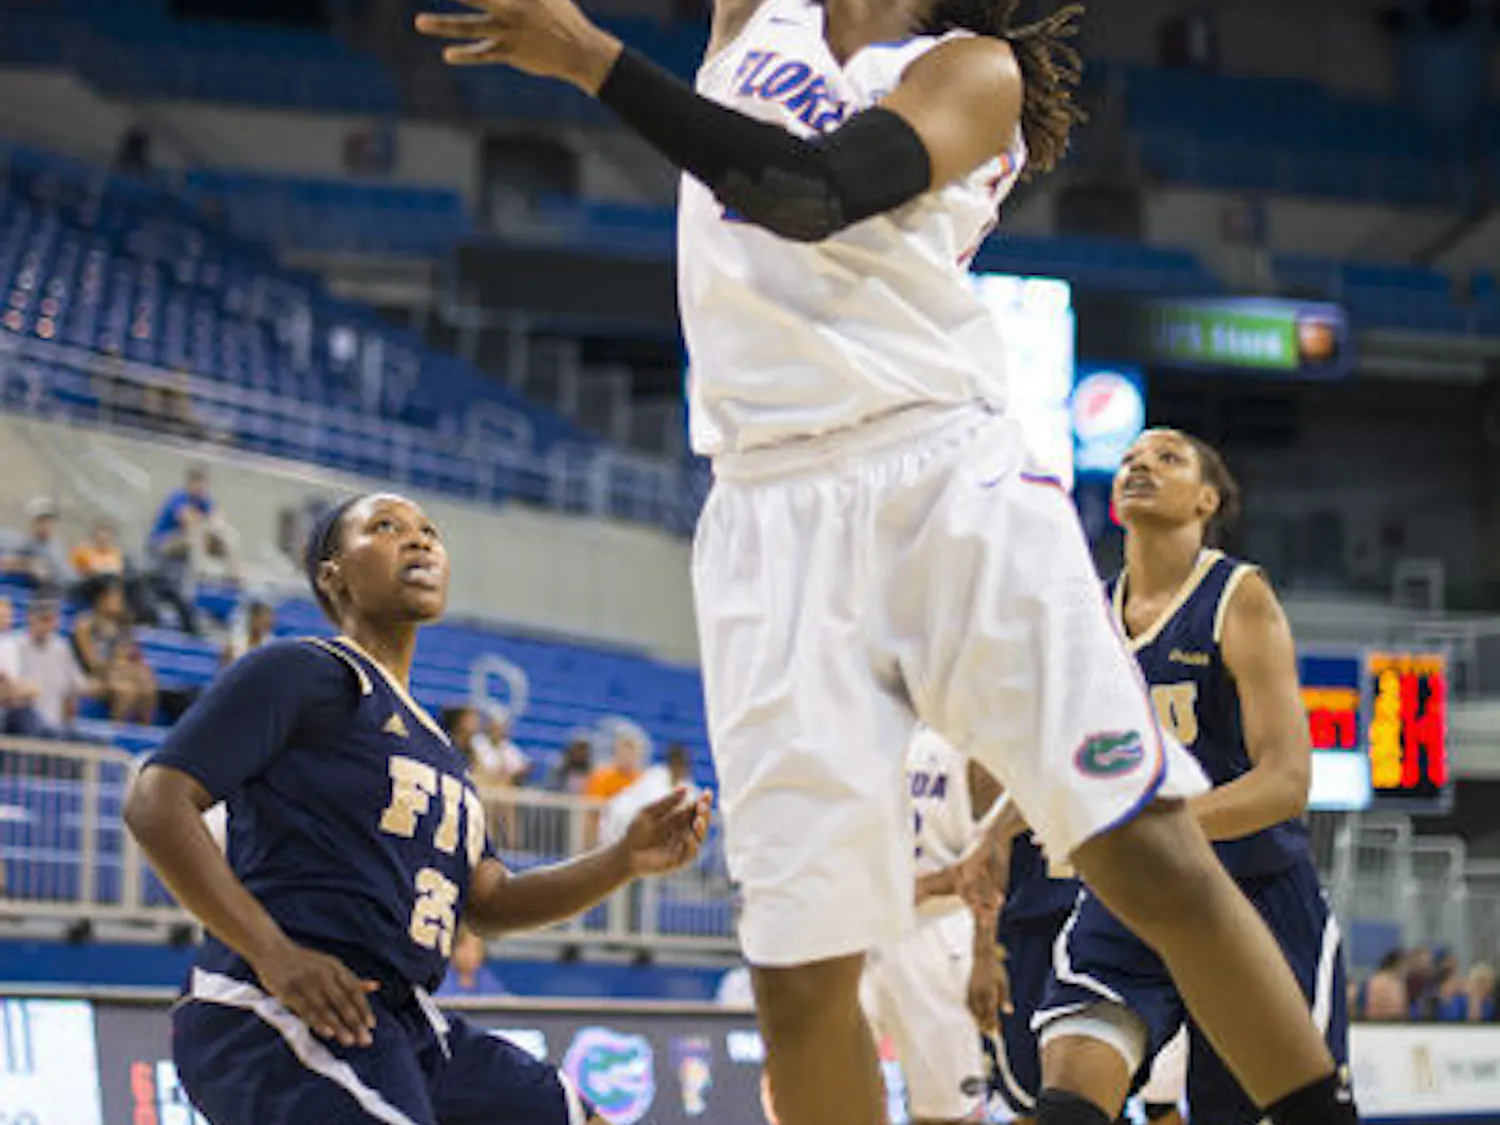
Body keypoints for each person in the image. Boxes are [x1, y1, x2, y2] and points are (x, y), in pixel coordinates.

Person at [415, 6, 1359, 1125]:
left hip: (938, 474)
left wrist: (589, 58)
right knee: (801, 975)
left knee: (1144, 853)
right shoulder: (755, 13)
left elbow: (806, 192)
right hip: (764, 511)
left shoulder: (971, 71)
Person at [123, 492, 712, 1125]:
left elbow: (489, 903)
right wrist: (273, 952)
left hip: (404, 1019)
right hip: (275, 1002)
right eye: (384, 528)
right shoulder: (302, 671)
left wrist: (622, 860)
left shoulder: (438, 747)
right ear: (333, 574)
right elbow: (157, 803)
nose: (420, 540)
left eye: (429, 531)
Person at [1032, 430, 1350, 1125]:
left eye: (1167, 457)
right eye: (1129, 460)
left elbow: (1286, 781)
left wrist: (1153, 823)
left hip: (1257, 894)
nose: (1140, 464)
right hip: (1134, 892)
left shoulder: (1239, 596)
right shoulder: (1090, 615)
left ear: (1208, 498)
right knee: (1066, 1103)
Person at [859, 726, 1004, 1125]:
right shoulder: (867, 729)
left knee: (945, 1113)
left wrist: (983, 951)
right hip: (858, 935)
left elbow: (991, 860)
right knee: (829, 1096)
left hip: (938, 934)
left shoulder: (968, 737)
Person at [73, 576, 159, 724]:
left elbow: (134, 655)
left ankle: (144, 733)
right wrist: (116, 662)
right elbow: (92, 663)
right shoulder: (86, 624)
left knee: (148, 687)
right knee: (126, 691)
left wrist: (132, 660)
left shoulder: (123, 624)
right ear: (101, 599)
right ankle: (115, 733)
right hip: (93, 675)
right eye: (114, 596)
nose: (119, 600)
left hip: (119, 673)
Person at [3, 498, 72, 589]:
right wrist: (29, 565)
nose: (47, 525)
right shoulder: (25, 542)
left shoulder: (57, 545)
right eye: (42, 521)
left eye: (49, 521)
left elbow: (67, 571)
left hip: (68, 586)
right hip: (49, 589)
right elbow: (6, 563)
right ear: (32, 522)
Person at [436, 928, 508, 998]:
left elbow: (502, 1001)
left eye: (477, 948)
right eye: (465, 947)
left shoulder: (484, 975)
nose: (471, 955)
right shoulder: (442, 977)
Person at [220, 600, 277, 668]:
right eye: (262, 619)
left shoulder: (274, 648)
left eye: (269, 620)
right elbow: (226, 674)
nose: (268, 622)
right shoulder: (233, 647)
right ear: (253, 619)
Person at [1363, 951, 1409, 1021]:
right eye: (1404, 965)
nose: (1406, 969)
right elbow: (1374, 1006)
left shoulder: (1398, 982)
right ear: (1396, 964)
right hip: (1380, 1022)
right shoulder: (1379, 981)